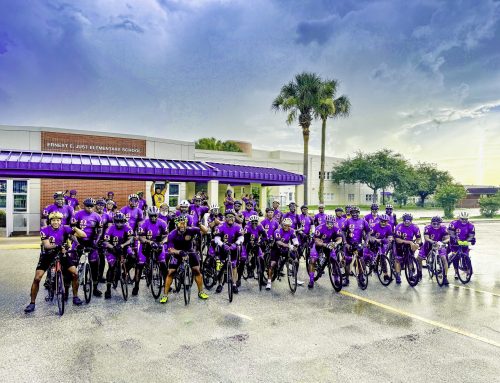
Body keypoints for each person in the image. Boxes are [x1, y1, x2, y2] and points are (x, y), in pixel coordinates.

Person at [24, 212, 86, 313]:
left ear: (61, 221)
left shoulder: (65, 228)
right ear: (50, 221)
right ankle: (32, 303)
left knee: (74, 273)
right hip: (48, 255)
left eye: (58, 220)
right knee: (37, 278)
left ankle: (75, 297)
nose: (56, 222)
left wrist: (74, 228)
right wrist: (58, 246)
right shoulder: (44, 230)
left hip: (62, 254)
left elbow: (83, 235)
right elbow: (47, 245)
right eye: (53, 220)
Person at [159, 216, 209, 303]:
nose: (182, 225)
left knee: (197, 270)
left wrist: (200, 225)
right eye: (180, 223)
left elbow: (206, 231)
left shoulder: (191, 230)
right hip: (177, 252)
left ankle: (201, 292)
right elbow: (170, 249)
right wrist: (179, 252)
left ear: (186, 224)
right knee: (170, 272)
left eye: (184, 223)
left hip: (190, 251)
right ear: (176, 225)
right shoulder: (172, 234)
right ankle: (165, 295)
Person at [71, 198, 104, 297]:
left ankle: (95, 287)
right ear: (84, 205)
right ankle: (68, 287)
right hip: (78, 241)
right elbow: (72, 231)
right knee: (72, 264)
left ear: (94, 207)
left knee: (95, 264)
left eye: (91, 206)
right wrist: (77, 243)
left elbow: (100, 231)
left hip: (91, 241)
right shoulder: (77, 214)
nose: (89, 208)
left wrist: (96, 242)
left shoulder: (97, 216)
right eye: (87, 206)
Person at [135, 206, 169, 295]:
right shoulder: (143, 223)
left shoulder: (162, 223)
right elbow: (140, 237)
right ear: (148, 215)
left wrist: (162, 242)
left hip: (158, 244)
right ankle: (136, 286)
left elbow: (166, 236)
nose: (153, 218)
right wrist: (149, 242)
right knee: (140, 265)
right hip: (146, 245)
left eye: (155, 216)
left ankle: (167, 284)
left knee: (163, 264)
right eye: (151, 216)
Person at [102, 213, 135, 299]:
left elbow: (131, 238)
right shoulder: (110, 228)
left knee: (133, 258)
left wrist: (123, 245)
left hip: (124, 247)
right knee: (112, 267)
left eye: (121, 222)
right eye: (117, 222)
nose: (119, 224)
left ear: (124, 221)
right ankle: (108, 289)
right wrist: (112, 247)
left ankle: (124, 273)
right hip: (112, 249)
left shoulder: (127, 227)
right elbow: (105, 242)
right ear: (114, 221)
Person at [213, 210, 244, 294]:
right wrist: (222, 245)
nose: (230, 218)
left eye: (232, 217)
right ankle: (220, 284)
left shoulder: (238, 226)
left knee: (234, 266)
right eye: (228, 217)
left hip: (233, 247)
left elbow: (241, 238)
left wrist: (236, 244)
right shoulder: (220, 226)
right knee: (220, 266)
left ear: (234, 218)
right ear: (225, 218)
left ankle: (234, 284)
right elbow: (216, 239)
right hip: (222, 247)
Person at [308, 215, 343, 288]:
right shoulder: (319, 228)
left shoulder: (336, 227)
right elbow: (317, 241)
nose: (330, 225)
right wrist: (324, 244)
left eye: (332, 223)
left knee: (334, 260)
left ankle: (336, 279)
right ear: (325, 222)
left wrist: (335, 243)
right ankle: (311, 280)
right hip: (318, 244)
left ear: (334, 223)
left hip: (328, 244)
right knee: (313, 260)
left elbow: (340, 238)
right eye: (328, 223)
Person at [266, 217, 299, 290]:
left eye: (288, 226)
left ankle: (294, 277)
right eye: (285, 225)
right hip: (276, 249)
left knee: (296, 261)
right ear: (282, 224)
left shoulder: (292, 231)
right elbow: (278, 242)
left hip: (285, 250)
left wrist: (296, 245)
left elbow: (295, 239)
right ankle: (269, 282)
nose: (287, 227)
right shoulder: (277, 231)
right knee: (272, 264)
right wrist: (288, 245)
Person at [342, 206, 371, 286]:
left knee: (360, 261)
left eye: (356, 212)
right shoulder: (347, 221)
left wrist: (366, 242)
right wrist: (345, 243)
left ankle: (361, 277)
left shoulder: (363, 221)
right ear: (350, 213)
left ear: (359, 213)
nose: (355, 214)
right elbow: (343, 232)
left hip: (358, 244)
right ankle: (347, 279)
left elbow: (368, 232)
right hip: (349, 244)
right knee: (348, 262)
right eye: (353, 212)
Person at [420, 216, 450, 285]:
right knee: (419, 258)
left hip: (439, 244)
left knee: (444, 258)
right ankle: (419, 273)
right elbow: (426, 238)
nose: (436, 225)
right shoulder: (427, 228)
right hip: (429, 244)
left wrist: (443, 242)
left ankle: (445, 277)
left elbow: (448, 238)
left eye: (438, 224)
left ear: (440, 223)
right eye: (434, 224)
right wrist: (432, 242)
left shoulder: (444, 228)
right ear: (431, 223)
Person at [364, 214, 394, 282]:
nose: (383, 223)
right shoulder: (374, 225)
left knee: (383, 258)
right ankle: (367, 267)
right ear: (379, 220)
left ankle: (386, 275)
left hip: (381, 241)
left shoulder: (389, 226)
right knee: (368, 255)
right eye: (382, 221)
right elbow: (369, 236)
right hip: (372, 240)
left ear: (387, 221)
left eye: (385, 221)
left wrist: (390, 239)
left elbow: (390, 236)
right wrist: (374, 239)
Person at [394, 213, 422, 284]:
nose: (407, 222)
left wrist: (417, 243)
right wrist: (410, 242)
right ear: (403, 220)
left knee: (410, 260)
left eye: (409, 220)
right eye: (405, 220)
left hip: (410, 244)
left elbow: (419, 238)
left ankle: (410, 275)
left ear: (411, 220)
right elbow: (397, 240)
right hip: (399, 244)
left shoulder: (415, 227)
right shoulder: (398, 227)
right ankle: (398, 275)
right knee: (398, 260)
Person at [448, 211, 476, 279]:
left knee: (466, 257)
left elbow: (471, 235)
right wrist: (455, 239)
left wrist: (468, 240)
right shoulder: (453, 223)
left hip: (464, 242)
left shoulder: (471, 225)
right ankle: (456, 272)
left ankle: (468, 271)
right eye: (462, 219)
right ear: (459, 218)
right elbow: (451, 233)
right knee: (455, 257)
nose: (464, 220)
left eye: (466, 219)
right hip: (454, 242)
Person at [241, 214, 268, 281]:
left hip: (255, 243)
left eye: (256, 222)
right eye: (252, 222)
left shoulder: (260, 226)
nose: (254, 223)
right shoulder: (247, 227)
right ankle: (239, 277)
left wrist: (261, 241)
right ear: (250, 222)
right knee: (244, 258)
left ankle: (260, 277)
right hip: (246, 243)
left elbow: (265, 236)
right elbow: (245, 238)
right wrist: (249, 242)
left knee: (261, 258)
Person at [95, 199, 112, 283]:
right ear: (95, 205)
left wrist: (106, 238)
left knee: (102, 259)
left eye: (102, 205)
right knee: (93, 259)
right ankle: (91, 276)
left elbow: (110, 228)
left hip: (102, 240)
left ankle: (100, 276)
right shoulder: (92, 215)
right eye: (98, 205)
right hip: (93, 239)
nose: (100, 207)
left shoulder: (107, 216)